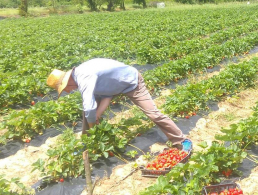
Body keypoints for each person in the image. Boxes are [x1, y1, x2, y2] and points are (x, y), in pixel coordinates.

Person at [46, 58, 192, 151]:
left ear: (68, 81)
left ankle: (182, 140)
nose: (67, 92)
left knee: (153, 113)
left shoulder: (84, 76)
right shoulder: (81, 76)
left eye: (64, 89)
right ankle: (88, 146)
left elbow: (90, 106)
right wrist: (97, 115)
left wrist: (94, 127)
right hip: (113, 88)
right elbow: (107, 94)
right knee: (88, 114)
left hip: (131, 82)